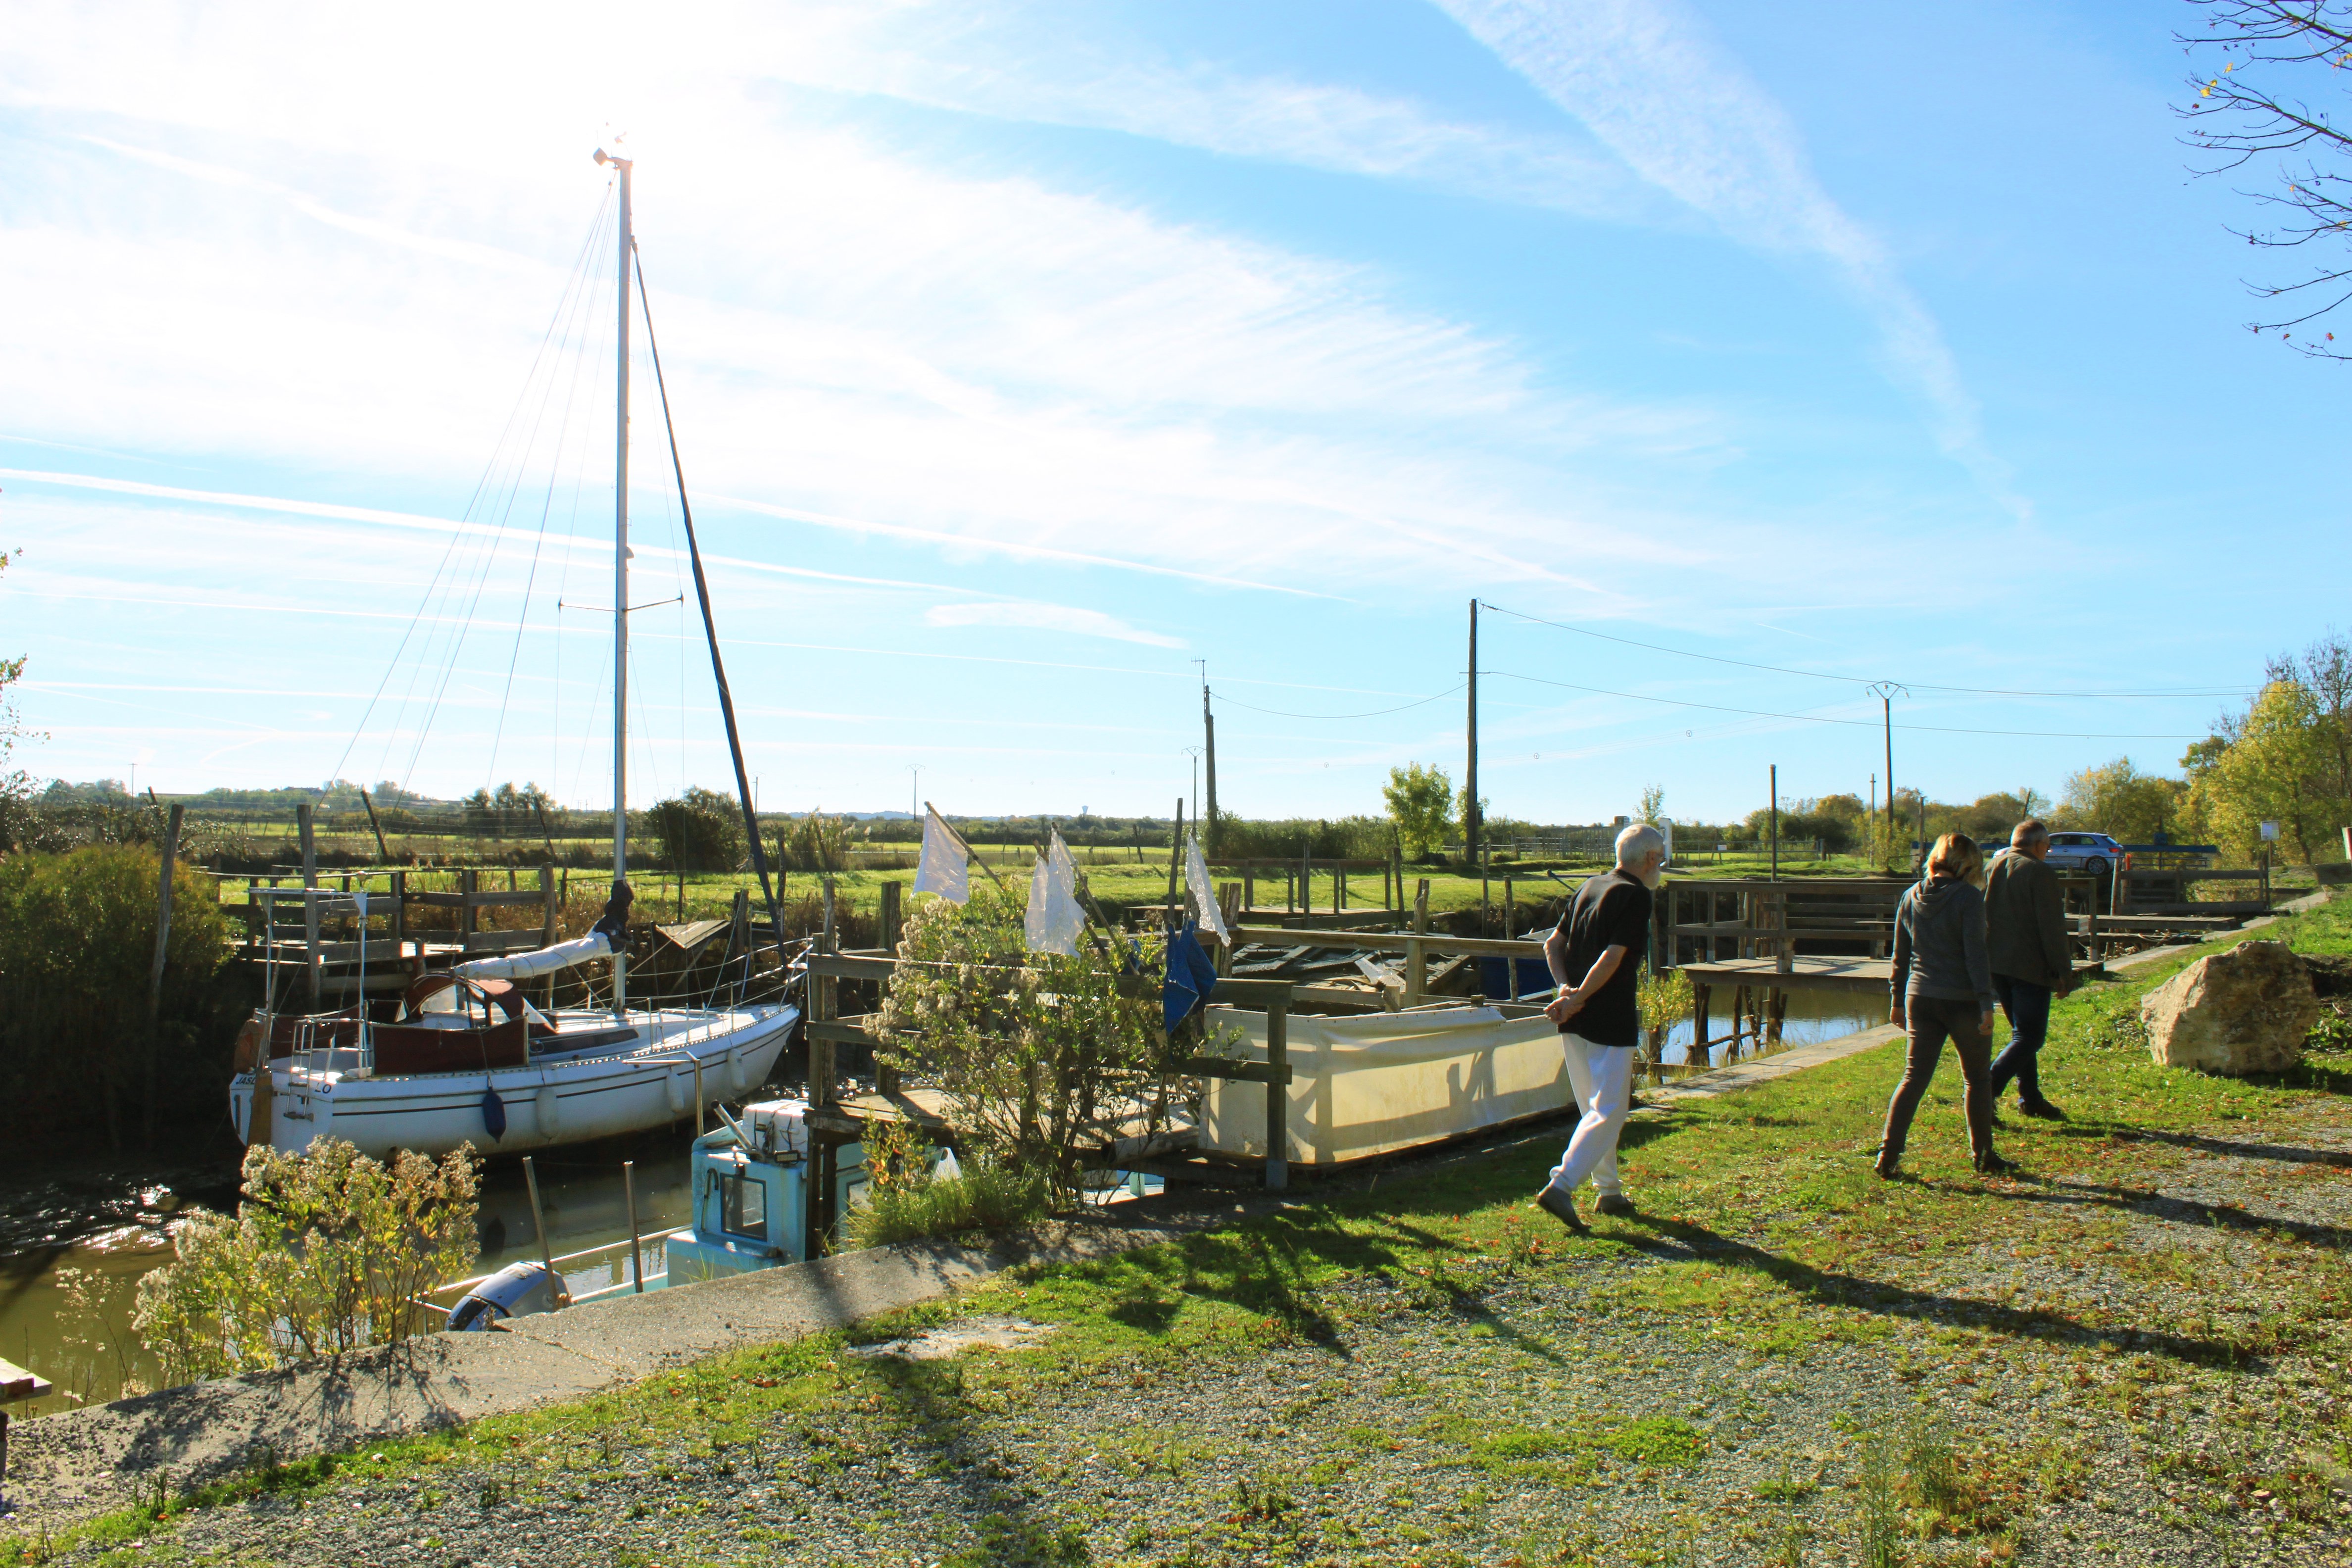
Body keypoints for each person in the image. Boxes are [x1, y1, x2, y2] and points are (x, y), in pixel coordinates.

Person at [1531, 822, 1665, 1231]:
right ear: (1649, 859)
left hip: (1574, 1017)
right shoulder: (1636, 895)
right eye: (1660, 859)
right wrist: (1579, 998)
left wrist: (1565, 991)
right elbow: (1613, 958)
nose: (1661, 866)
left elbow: (1553, 945)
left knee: (1594, 1111)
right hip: (1608, 1015)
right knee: (1610, 1109)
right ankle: (1561, 1185)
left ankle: (1609, 1192)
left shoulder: (1589, 886)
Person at [1876, 832, 2013, 1177]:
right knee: (1977, 1079)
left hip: (1920, 997)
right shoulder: (1968, 898)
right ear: (1968, 864)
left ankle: (1888, 1155)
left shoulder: (1911, 896)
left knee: (1913, 1078)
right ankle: (1983, 1155)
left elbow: (1900, 955)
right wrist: (1986, 1003)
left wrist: (1896, 1000)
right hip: (1962, 1000)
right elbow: (1976, 955)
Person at [1983, 818, 2073, 1120]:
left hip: (1997, 964)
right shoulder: (2038, 871)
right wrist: (2063, 971)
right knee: (2030, 1038)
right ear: (2038, 845)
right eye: (2048, 847)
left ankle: (2030, 1098)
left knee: (2021, 1035)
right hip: (2029, 966)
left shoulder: (1989, 868)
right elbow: (2052, 926)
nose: (2047, 852)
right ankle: (1984, 1092)